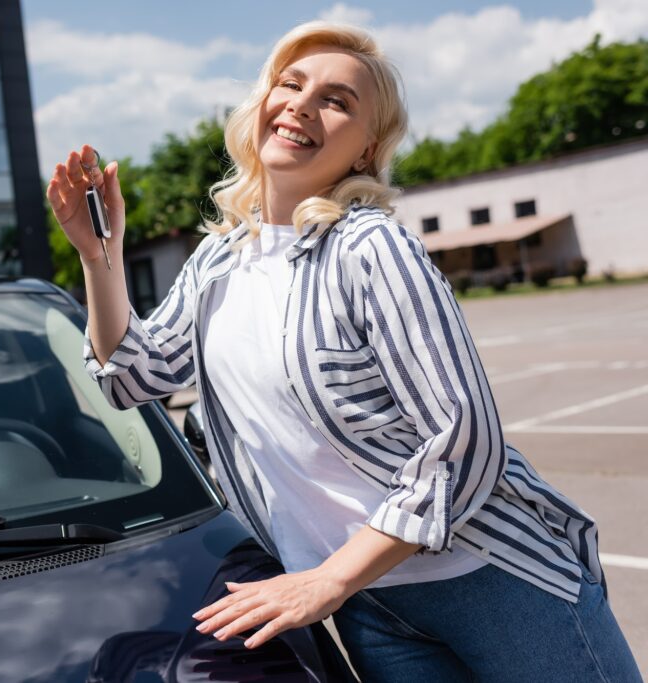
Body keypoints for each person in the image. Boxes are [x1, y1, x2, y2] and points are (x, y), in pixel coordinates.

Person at [47, 21, 641, 682]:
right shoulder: (219, 260)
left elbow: (465, 442)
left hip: (489, 580)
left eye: (337, 100)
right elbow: (130, 378)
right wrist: (99, 258)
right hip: (373, 604)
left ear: (367, 149)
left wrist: (328, 580)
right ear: (264, 104)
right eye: (291, 84)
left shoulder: (369, 248)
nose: (302, 103)